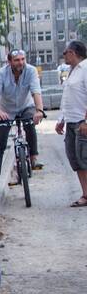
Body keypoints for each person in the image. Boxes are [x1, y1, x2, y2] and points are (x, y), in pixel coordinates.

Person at [0, 50, 44, 194]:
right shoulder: (1, 73)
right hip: (6, 109)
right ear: (9, 62)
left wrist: (39, 110)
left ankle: (33, 157)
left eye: (22, 59)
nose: (20, 62)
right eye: (17, 60)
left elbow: (36, 91)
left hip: (26, 106)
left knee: (29, 124)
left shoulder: (30, 71)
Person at [56, 41, 87, 207]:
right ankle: (85, 194)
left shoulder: (85, 69)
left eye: (65, 52)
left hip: (82, 122)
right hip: (71, 122)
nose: (63, 55)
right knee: (76, 160)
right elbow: (67, 97)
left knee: (84, 159)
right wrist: (61, 119)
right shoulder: (71, 71)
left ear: (73, 52)